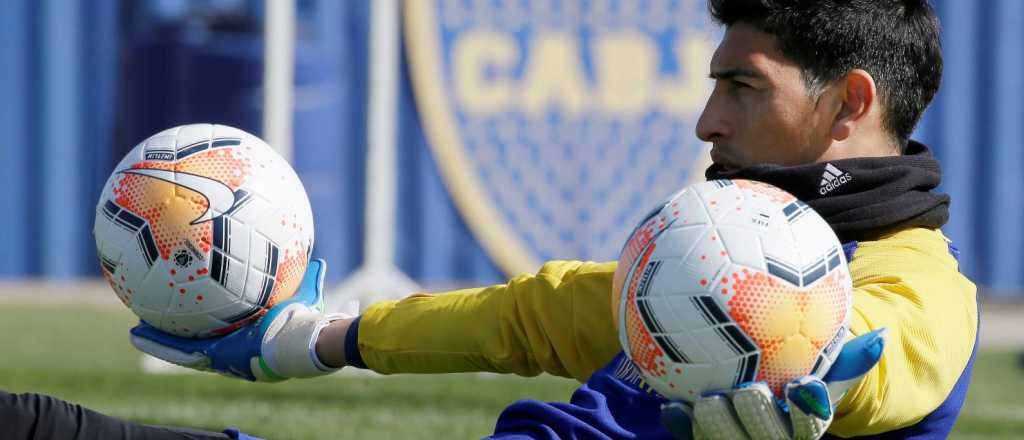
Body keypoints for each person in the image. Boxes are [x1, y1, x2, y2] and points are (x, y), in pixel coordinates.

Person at [5, 0, 976, 439]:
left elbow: (888, 357)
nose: (705, 121)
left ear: (849, 102)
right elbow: (534, 315)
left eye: (741, 86)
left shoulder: (915, 282)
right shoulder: (716, 252)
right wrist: (312, 339)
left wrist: (819, 381)